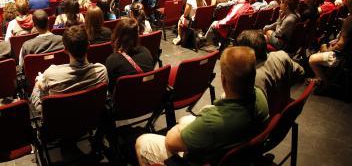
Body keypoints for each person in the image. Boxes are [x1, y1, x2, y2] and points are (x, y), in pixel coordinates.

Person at [135, 46, 269, 165]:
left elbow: (170, 142)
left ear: (223, 79)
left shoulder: (212, 122)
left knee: (143, 141)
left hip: (204, 159)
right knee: (185, 120)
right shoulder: (261, 97)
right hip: (234, 150)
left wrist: (179, 129)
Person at [30, 26, 108, 113]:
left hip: (63, 120)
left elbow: (42, 87)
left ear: (65, 50)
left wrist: (39, 81)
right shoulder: (102, 70)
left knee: (37, 85)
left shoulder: (51, 73)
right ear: (88, 45)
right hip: (91, 116)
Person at [237, 30, 304, 114]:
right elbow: (301, 72)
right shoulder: (282, 55)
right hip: (283, 107)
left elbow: (248, 113)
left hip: (267, 117)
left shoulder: (251, 78)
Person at [309, 0, 352, 93]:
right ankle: (320, 79)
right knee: (323, 46)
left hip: (344, 57)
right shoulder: (348, 19)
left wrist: (328, 49)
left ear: (349, 1)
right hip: (348, 53)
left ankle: (326, 84)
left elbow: (341, 45)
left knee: (312, 59)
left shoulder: (350, 20)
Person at [105, 18, 154, 90]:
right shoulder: (146, 52)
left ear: (117, 36)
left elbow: (110, 88)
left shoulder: (112, 60)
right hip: (149, 97)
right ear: (137, 36)